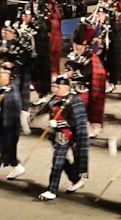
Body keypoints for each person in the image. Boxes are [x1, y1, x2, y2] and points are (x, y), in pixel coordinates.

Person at [38, 71, 89, 201]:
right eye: (54, 86)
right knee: (62, 161)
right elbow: (45, 110)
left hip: (65, 135)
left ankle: (52, 190)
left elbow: (77, 121)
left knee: (57, 162)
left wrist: (60, 123)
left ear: (66, 88)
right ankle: (75, 180)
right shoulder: (54, 98)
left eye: (58, 87)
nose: (55, 89)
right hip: (55, 134)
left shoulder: (75, 100)